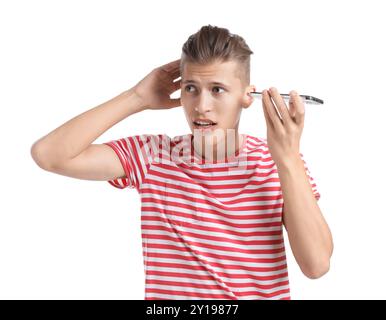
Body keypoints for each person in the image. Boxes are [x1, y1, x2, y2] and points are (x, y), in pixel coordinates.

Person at [30, 25, 333, 300]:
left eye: (217, 90)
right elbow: (49, 154)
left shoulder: (278, 162)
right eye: (191, 88)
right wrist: (136, 98)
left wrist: (288, 159)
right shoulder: (153, 156)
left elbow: (317, 265)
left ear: (246, 95)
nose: (201, 106)